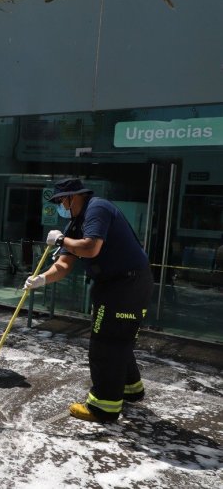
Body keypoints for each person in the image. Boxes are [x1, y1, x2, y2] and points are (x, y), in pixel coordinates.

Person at [24, 178, 153, 423]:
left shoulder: (97, 208)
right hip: (118, 284)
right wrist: (41, 279)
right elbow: (63, 265)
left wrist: (60, 240)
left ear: (74, 197)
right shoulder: (75, 225)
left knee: (105, 343)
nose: (61, 206)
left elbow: (91, 247)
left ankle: (103, 407)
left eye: (62, 201)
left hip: (125, 284)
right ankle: (131, 388)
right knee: (119, 337)